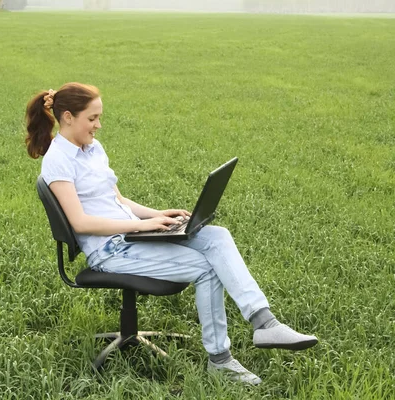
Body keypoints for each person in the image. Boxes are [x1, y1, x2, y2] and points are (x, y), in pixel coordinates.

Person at [25, 82, 318, 385]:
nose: (98, 125)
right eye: (92, 118)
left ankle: (264, 322)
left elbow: (118, 201)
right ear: (69, 117)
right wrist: (140, 226)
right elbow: (81, 223)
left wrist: (158, 215)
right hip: (110, 250)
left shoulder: (93, 148)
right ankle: (220, 361)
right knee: (206, 269)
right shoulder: (58, 160)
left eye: (100, 117)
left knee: (216, 236)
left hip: (130, 236)